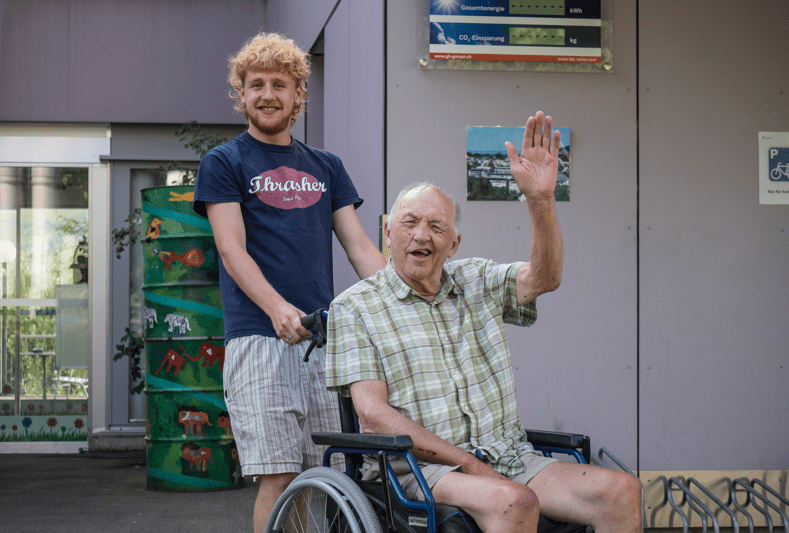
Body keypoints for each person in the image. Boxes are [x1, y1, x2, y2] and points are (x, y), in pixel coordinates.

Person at [326, 112, 642, 533]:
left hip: (509, 458)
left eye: (437, 227)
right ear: (388, 233)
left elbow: (545, 277)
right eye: (410, 223)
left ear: (453, 244)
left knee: (622, 492)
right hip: (417, 472)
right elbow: (375, 416)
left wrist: (541, 200)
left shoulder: (476, 280)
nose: (422, 235)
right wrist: (469, 464)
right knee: (514, 503)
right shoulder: (356, 307)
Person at [192, 32, 386, 533]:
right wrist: (278, 308)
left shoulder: (326, 167)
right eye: (255, 84)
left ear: (299, 94)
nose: (267, 94)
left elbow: (361, 248)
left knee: (324, 472)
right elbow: (232, 249)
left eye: (280, 84)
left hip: (324, 343)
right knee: (278, 476)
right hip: (259, 338)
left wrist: (407, 298)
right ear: (241, 93)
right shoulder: (224, 163)